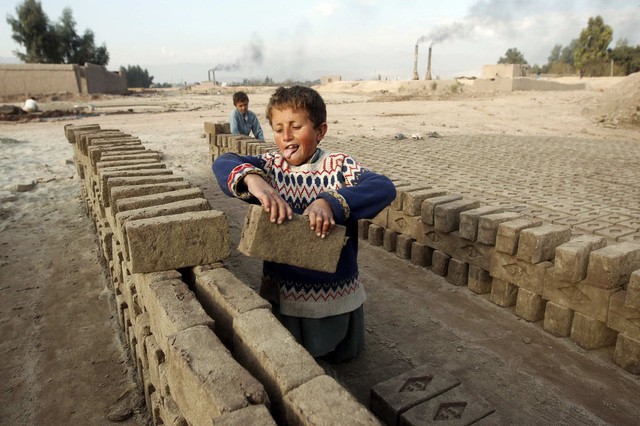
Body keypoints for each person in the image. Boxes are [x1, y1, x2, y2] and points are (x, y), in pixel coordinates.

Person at [213, 85, 396, 362]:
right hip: (284, 288)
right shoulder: (271, 167)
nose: (286, 136)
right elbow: (224, 162)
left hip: (333, 286)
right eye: (277, 129)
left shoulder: (338, 166)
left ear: (320, 131)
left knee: (338, 357)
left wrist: (329, 202)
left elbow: (382, 187)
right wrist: (254, 181)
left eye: (296, 126)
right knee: (292, 355)